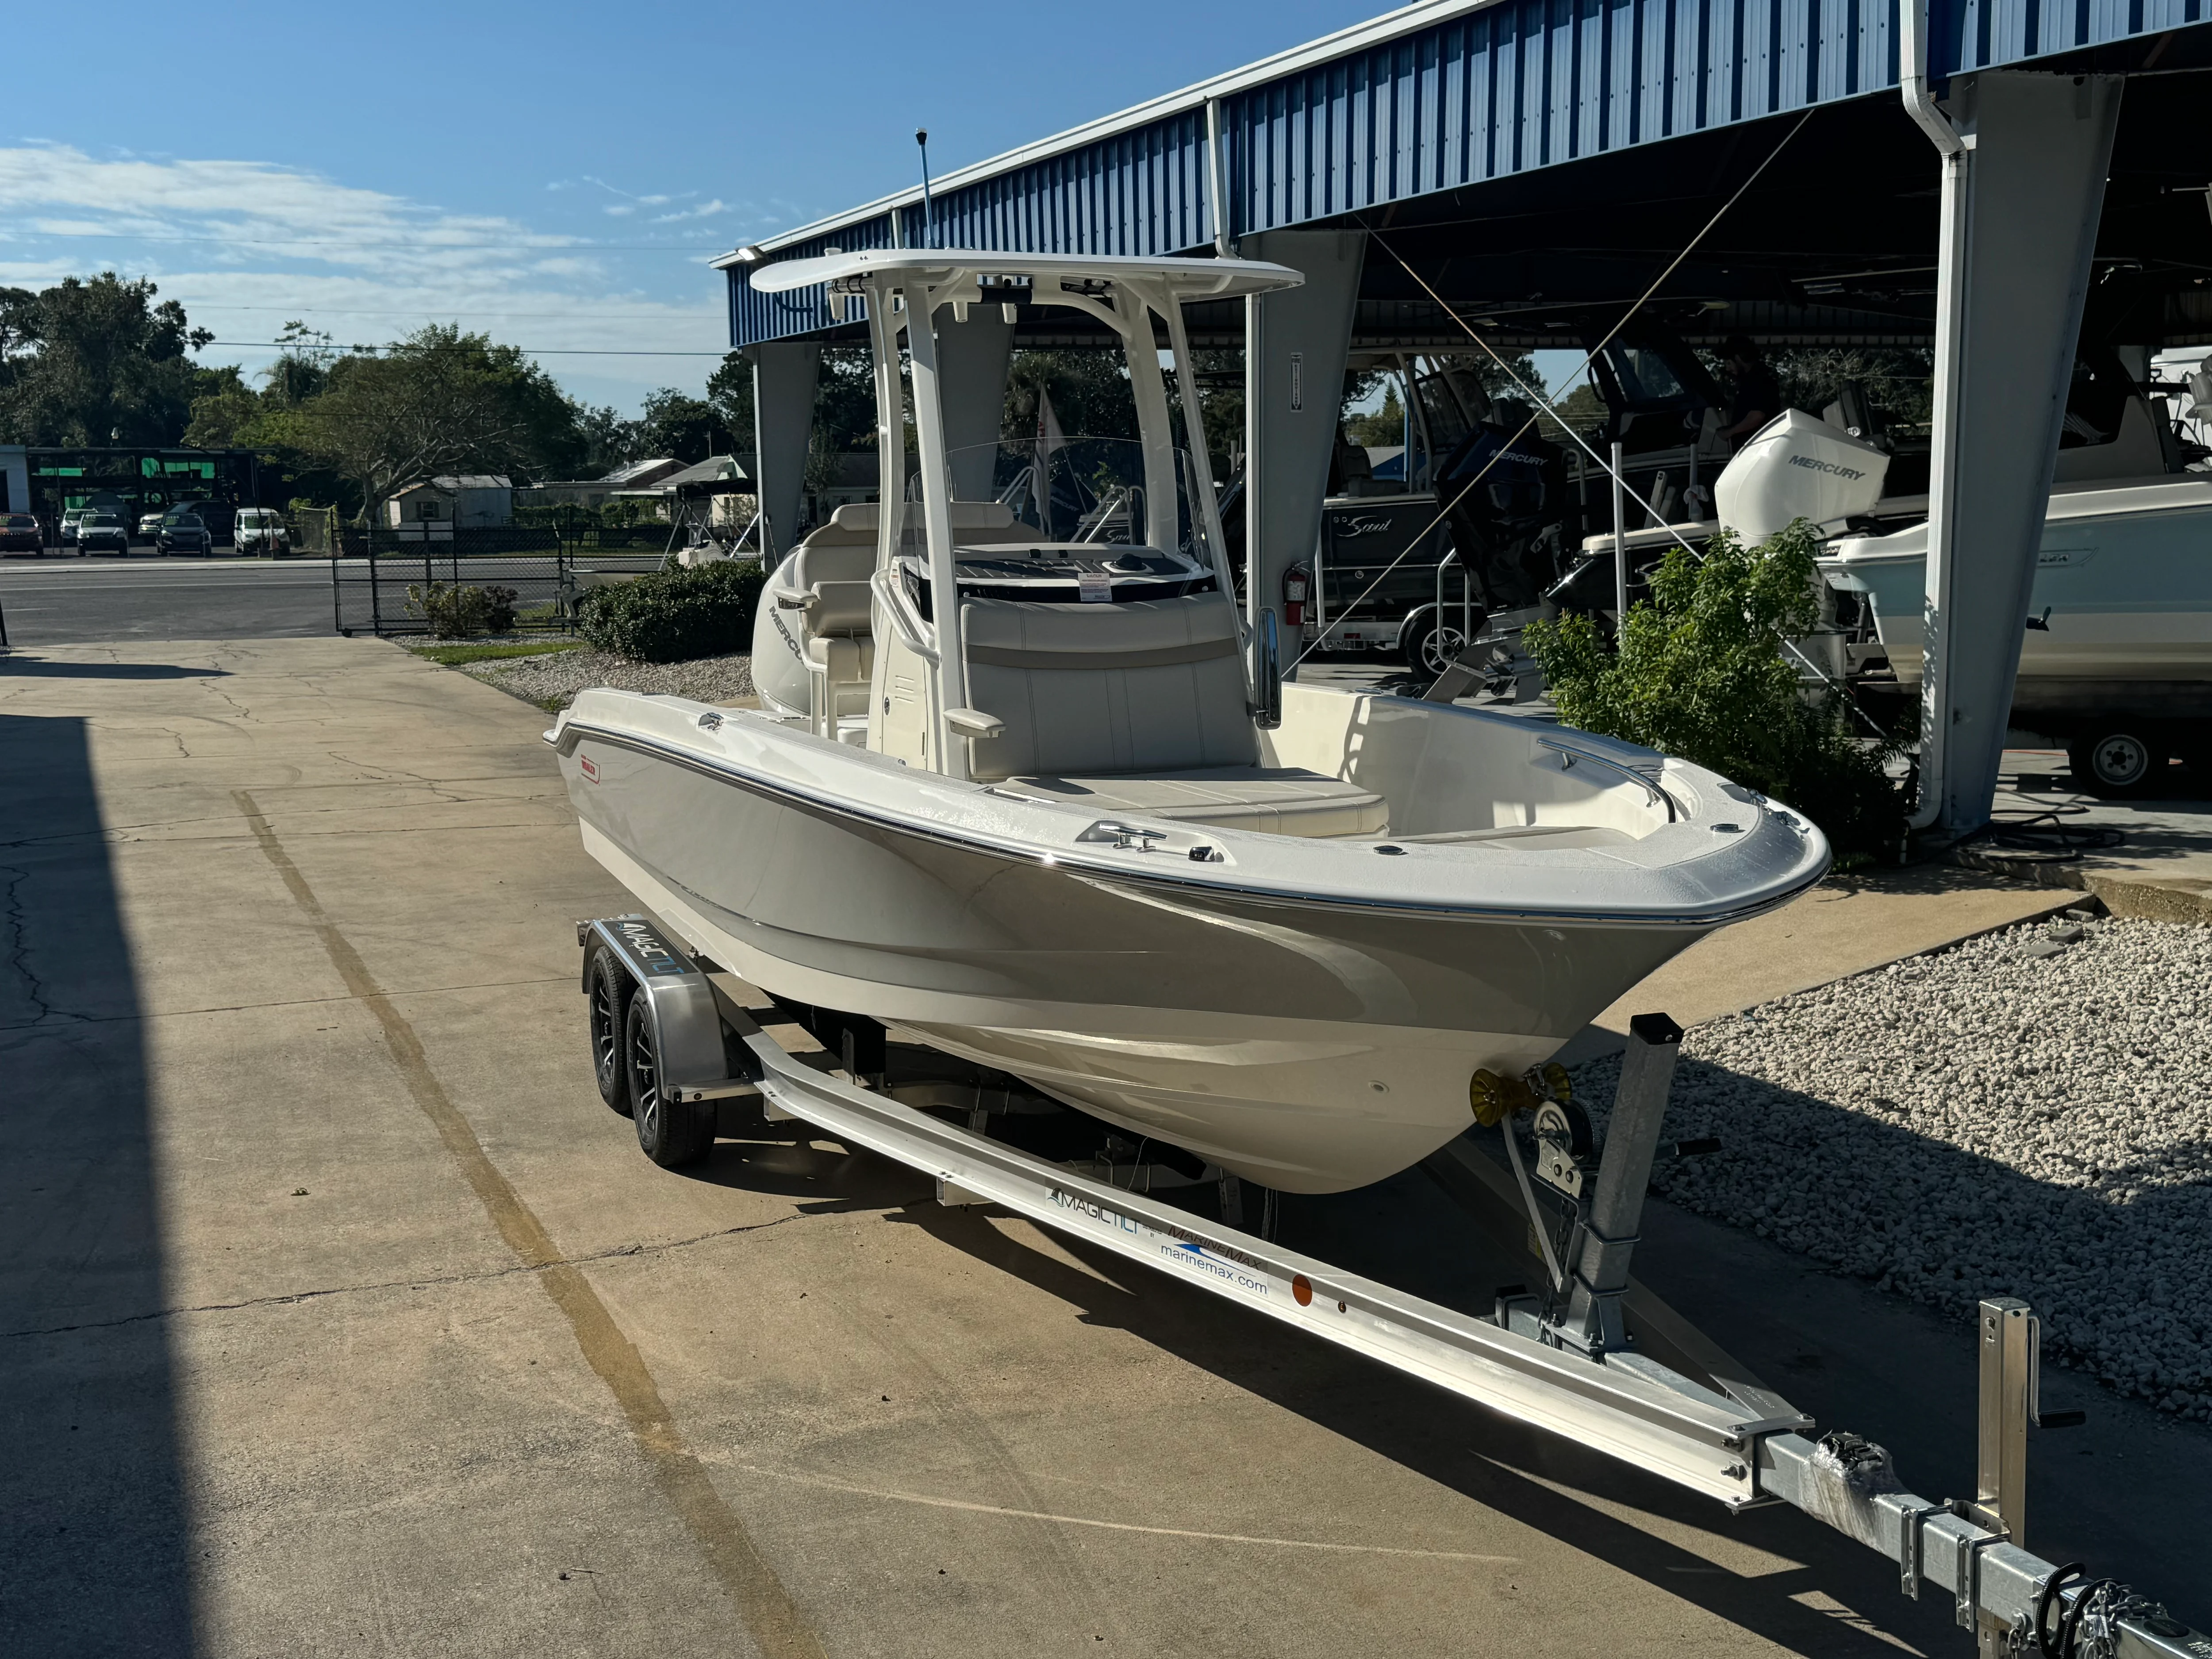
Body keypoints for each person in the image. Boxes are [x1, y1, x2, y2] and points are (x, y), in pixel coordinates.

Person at [1721, 334, 1783, 449]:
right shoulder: (1751, 381)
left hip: (1756, 449)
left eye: (1729, 363)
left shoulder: (1759, 381)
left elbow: (1756, 416)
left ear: (1739, 358)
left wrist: (1730, 432)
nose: (1728, 369)